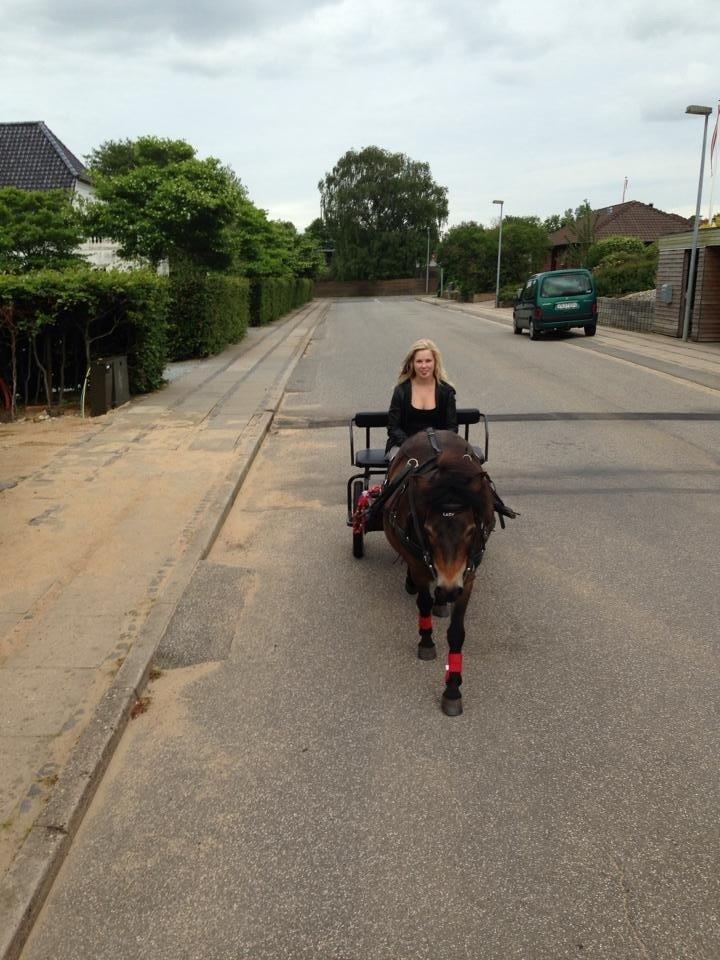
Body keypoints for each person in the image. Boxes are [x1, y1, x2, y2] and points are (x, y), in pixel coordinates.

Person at [385, 339, 458, 459]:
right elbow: (393, 428)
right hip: (403, 446)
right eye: (419, 361)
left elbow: (451, 428)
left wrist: (434, 446)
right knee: (403, 469)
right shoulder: (401, 391)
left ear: (435, 362)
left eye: (428, 361)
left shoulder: (446, 392)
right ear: (412, 364)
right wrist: (413, 446)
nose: (424, 366)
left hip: (438, 447)